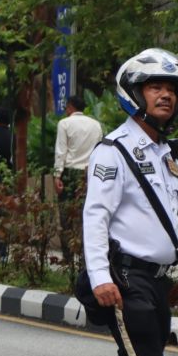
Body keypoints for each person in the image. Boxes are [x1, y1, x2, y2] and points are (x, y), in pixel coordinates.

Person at [27, 48, 178, 356]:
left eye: (171, 89)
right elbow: (95, 216)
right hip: (126, 278)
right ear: (134, 94)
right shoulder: (113, 151)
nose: (165, 95)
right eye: (155, 87)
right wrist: (100, 276)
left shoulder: (165, 152)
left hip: (155, 281)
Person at [53, 94, 104, 263]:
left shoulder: (64, 124)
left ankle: (68, 256)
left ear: (70, 107)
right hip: (89, 174)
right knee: (87, 214)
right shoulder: (96, 125)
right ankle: (85, 256)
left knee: (65, 214)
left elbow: (61, 151)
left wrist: (57, 175)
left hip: (70, 173)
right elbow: (99, 150)